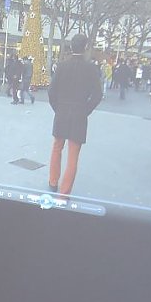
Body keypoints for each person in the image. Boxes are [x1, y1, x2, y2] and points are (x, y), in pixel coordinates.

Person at [47, 34, 103, 196]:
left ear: (71, 47)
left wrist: (57, 108)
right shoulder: (91, 68)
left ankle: (53, 181)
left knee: (57, 147)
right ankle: (65, 192)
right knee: (73, 154)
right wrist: (86, 110)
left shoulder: (62, 66)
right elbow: (97, 95)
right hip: (79, 114)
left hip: (62, 112)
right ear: (85, 47)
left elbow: (52, 91)